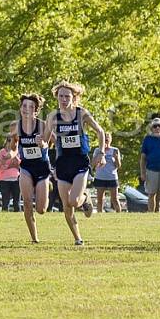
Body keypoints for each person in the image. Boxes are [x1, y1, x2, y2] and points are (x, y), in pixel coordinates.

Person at [42, 81, 106, 245]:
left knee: (73, 200)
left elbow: (100, 132)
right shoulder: (52, 117)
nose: (63, 99)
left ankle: (85, 199)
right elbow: (46, 140)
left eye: (67, 96)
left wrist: (101, 153)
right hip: (62, 163)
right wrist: (40, 142)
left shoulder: (81, 114)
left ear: (74, 97)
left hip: (80, 163)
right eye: (61, 96)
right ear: (57, 97)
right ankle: (78, 239)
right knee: (66, 206)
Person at [11, 93, 52, 242]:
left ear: (36, 110)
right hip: (26, 168)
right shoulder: (15, 126)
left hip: (42, 168)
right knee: (27, 203)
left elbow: (51, 142)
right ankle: (34, 238)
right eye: (24, 106)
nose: (26, 109)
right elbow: (13, 146)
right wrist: (11, 155)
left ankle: (48, 185)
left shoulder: (42, 125)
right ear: (20, 108)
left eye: (31, 107)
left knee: (41, 209)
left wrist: (43, 143)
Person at [92, 132, 122, 213]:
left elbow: (118, 166)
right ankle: (100, 215)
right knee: (100, 199)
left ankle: (119, 215)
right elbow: (93, 164)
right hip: (100, 177)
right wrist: (100, 154)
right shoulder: (97, 150)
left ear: (110, 140)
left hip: (112, 177)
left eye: (107, 138)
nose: (106, 139)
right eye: (104, 138)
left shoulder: (115, 150)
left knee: (115, 199)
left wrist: (116, 158)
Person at [0, 137, 21, 212]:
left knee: (17, 202)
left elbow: (19, 165)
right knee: (5, 201)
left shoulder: (17, 152)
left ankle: (18, 217)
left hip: (16, 179)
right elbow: (2, 165)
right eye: (9, 140)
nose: (11, 143)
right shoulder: (2, 152)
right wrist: (11, 165)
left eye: (14, 141)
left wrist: (14, 155)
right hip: (4, 179)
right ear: (6, 141)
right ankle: (4, 215)